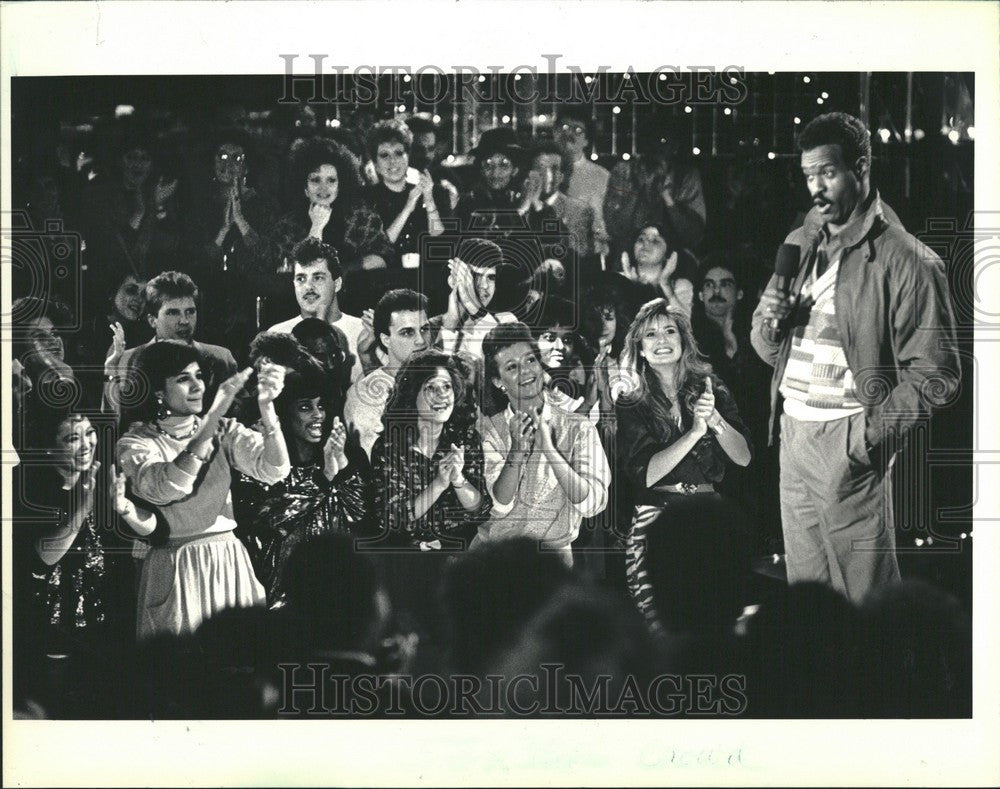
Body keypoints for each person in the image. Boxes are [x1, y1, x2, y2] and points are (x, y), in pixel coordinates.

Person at [750, 111, 961, 602]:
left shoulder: (906, 259)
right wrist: (770, 323)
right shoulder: (799, 243)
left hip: (846, 438)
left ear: (861, 167)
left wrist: (865, 440)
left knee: (866, 602)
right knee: (808, 597)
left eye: (828, 173)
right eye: (808, 176)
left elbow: (938, 373)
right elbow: (764, 348)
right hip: (792, 435)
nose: (816, 188)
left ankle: (878, 682)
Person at [116, 341, 291, 639]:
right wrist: (212, 418)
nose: (197, 386)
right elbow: (168, 486)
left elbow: (275, 469)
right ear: (158, 390)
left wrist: (267, 406)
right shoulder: (136, 443)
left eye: (198, 376)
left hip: (228, 559)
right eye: (183, 379)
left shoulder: (224, 429)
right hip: (178, 565)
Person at [615, 299, 751, 628]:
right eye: (650, 335)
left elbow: (743, 457)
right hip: (656, 515)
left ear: (683, 340)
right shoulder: (631, 401)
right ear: (640, 348)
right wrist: (693, 433)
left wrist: (715, 419)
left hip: (709, 510)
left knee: (717, 620)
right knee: (664, 624)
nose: (661, 340)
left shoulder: (713, 388)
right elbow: (645, 473)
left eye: (669, 331)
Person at [232, 364, 375, 607]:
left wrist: (340, 466)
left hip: (336, 584)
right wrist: (324, 478)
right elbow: (269, 521)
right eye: (305, 407)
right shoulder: (260, 462)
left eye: (322, 406)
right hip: (282, 588)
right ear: (285, 414)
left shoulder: (349, 454)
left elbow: (362, 516)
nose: (318, 415)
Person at [478, 322, 611, 568]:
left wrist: (550, 451)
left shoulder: (579, 427)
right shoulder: (488, 430)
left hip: (554, 561)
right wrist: (516, 452)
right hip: (493, 559)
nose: (526, 371)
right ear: (498, 381)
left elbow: (592, 503)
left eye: (530, 361)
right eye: (512, 367)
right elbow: (498, 506)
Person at [370, 350, 491, 551]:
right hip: (406, 556)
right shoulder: (388, 447)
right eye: (430, 388)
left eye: (447, 387)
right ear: (412, 394)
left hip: (460, 553)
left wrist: (458, 480)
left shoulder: (466, 440)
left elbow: (480, 511)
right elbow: (393, 521)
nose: (441, 395)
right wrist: (439, 484)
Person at [184, 129, 278, 355]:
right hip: (209, 301)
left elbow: (268, 257)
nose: (229, 164)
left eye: (237, 158)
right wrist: (224, 230)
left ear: (248, 167)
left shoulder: (263, 205)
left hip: (252, 302)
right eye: (222, 156)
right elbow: (196, 262)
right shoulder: (199, 207)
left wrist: (241, 220)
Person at [105, 271, 238, 420]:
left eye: (190, 312)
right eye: (173, 313)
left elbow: (236, 420)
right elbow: (113, 423)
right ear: (152, 320)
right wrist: (111, 370)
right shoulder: (128, 360)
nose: (184, 321)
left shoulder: (220, 359)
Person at [266, 136, 394, 272]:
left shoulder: (361, 217)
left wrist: (343, 271)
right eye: (315, 180)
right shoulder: (286, 228)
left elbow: (383, 257)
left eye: (331, 180)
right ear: (304, 188)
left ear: (340, 185)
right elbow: (300, 272)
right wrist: (316, 227)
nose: (323, 188)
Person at [344, 289, 431, 458]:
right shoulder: (364, 396)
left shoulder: (444, 380)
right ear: (385, 339)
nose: (421, 340)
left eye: (424, 329)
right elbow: (373, 464)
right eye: (407, 332)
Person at [267, 237, 364, 381]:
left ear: (337, 284)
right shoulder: (277, 335)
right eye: (301, 279)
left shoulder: (363, 332)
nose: (308, 287)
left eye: (318, 278)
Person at [604, 122, 706, 258]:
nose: (657, 147)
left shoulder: (686, 176)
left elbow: (694, 235)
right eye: (651, 140)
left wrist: (669, 201)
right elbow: (615, 228)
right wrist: (637, 190)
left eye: (664, 141)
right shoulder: (624, 172)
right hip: (630, 258)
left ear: (675, 146)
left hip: (675, 260)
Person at [363, 119, 449, 260]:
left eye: (398, 153)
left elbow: (441, 247)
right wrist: (407, 208)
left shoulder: (435, 192)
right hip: (383, 278)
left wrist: (429, 201)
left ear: (408, 156)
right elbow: (378, 251)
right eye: (384, 155)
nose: (393, 161)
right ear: (375, 163)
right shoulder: (366, 198)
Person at [432, 237, 518, 361]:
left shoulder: (505, 322)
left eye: (491, 277)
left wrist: (477, 311)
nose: (484, 285)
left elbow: (509, 365)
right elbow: (435, 376)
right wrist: (451, 323)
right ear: (453, 280)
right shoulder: (429, 327)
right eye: (476, 277)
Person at [555, 104, 610, 257]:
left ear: (586, 141)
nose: (569, 134)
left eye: (578, 130)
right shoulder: (539, 170)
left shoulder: (601, 175)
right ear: (555, 132)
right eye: (565, 127)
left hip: (588, 253)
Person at [622, 223, 700, 314]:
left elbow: (684, 324)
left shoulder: (681, 286)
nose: (645, 243)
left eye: (655, 240)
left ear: (668, 254)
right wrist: (627, 282)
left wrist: (665, 284)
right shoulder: (618, 279)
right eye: (641, 239)